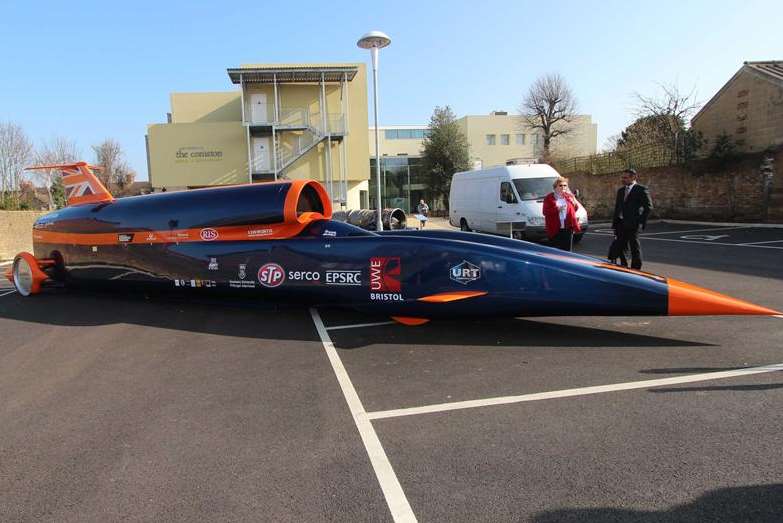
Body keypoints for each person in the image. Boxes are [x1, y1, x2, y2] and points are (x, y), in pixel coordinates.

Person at [611, 168, 653, 270]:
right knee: (620, 246)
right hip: (620, 224)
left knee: (634, 247)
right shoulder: (621, 191)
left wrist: (640, 221)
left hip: (633, 225)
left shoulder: (641, 189)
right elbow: (617, 207)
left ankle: (636, 269)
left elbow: (649, 207)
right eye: (622, 177)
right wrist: (615, 223)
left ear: (633, 177)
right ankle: (623, 266)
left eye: (625, 178)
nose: (623, 179)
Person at [542, 176, 582, 251]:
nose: (563, 187)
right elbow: (545, 212)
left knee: (567, 251)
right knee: (555, 251)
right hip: (555, 228)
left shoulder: (569, 196)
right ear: (555, 187)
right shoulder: (549, 198)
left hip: (567, 227)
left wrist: (574, 202)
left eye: (565, 185)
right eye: (560, 185)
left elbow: (574, 209)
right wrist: (557, 209)